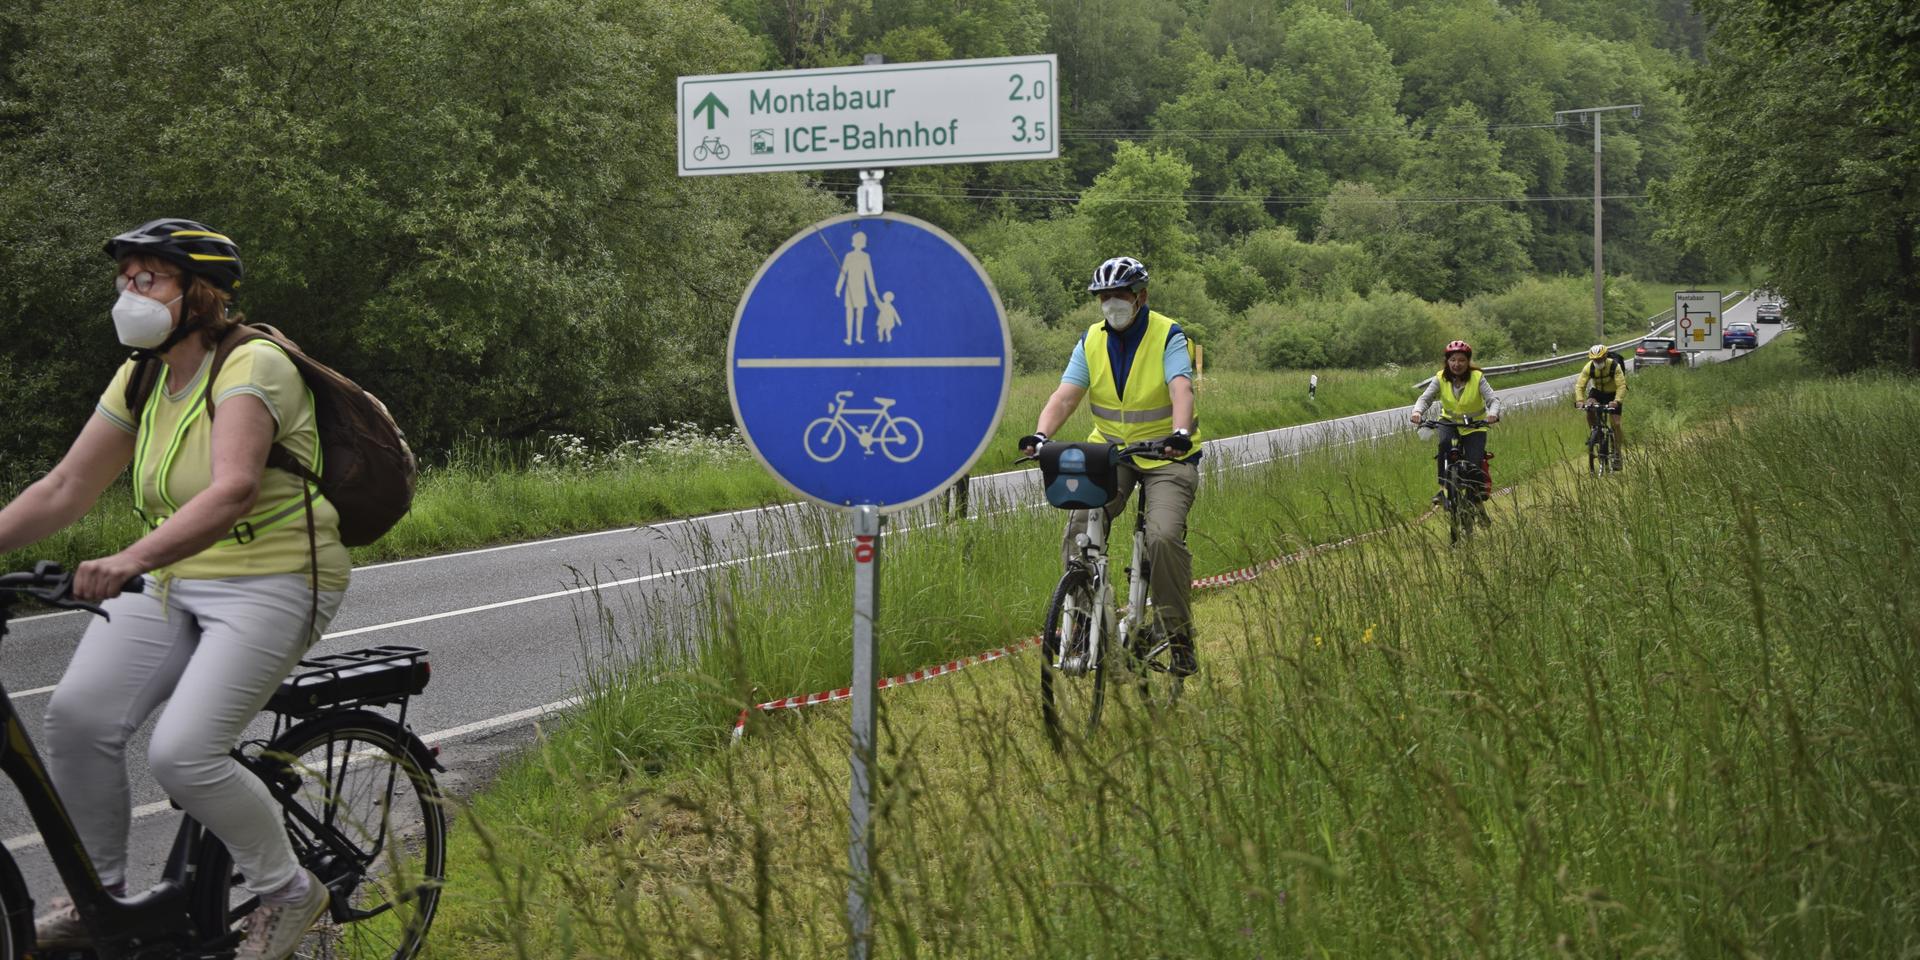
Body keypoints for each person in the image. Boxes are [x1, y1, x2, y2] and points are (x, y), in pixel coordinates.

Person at [0, 219, 347, 960]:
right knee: (78, 716)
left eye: (148, 277)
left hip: (273, 578)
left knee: (185, 754)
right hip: (176, 579)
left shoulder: (252, 367)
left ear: (200, 294)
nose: (130, 291)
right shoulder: (143, 373)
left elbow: (231, 491)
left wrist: (127, 558)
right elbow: (63, 487)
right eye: (125, 278)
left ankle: (291, 894)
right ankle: (101, 901)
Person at [1019, 256, 1202, 675]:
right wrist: (1041, 435)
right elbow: (1066, 394)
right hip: (1113, 453)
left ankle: (1177, 635)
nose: (1111, 303)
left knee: (1161, 537)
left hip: (1167, 455)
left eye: (1120, 295)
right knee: (1081, 525)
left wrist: (1179, 433)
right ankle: (1083, 629)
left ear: (1141, 297)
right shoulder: (1091, 341)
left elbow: (1181, 386)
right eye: (1104, 296)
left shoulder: (1167, 334)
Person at [1410, 340, 1502, 503]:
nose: (1456, 364)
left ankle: (1476, 498)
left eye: (1461, 360)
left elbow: (1493, 400)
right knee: (1444, 445)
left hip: (1475, 426)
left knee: (1474, 463)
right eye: (1452, 360)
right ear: (1447, 361)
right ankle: (1443, 490)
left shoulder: (1477, 377)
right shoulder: (1440, 377)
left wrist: (1492, 414)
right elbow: (1425, 398)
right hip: (1449, 422)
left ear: (1468, 362)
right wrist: (1417, 411)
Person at [1574, 343, 1627, 467]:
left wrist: (1617, 401)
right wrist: (1580, 400)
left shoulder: (1615, 366)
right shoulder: (1589, 368)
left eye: (1599, 359)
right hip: (1597, 392)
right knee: (1589, 407)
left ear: (1605, 357)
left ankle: (1617, 453)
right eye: (1594, 360)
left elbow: (1621, 386)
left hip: (1613, 394)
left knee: (1616, 424)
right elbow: (1580, 385)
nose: (1597, 362)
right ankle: (1595, 433)